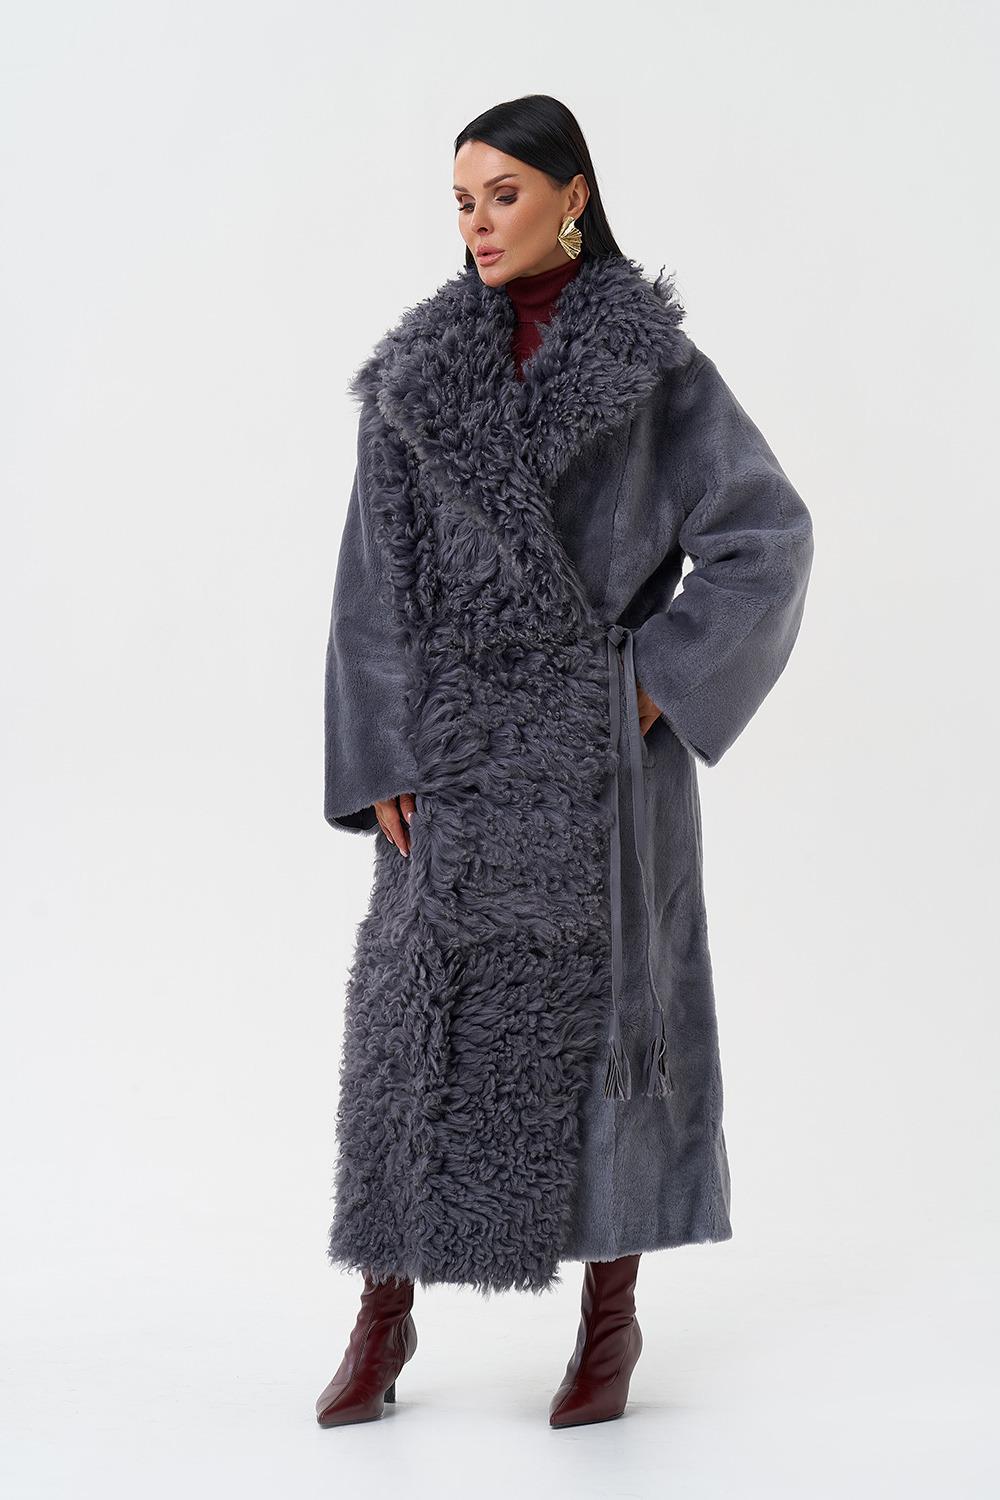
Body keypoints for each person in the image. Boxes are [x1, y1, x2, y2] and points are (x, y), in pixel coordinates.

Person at [315, 94, 813, 1429]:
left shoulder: (657, 371)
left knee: (608, 1035)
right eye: (461, 201)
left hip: (602, 773)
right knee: (415, 1034)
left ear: (573, 195)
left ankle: (610, 1320)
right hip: (456, 767)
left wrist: (651, 682)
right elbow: (370, 589)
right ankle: (381, 1314)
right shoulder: (416, 380)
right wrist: (379, 756)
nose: (478, 224)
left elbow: (768, 537)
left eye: (504, 195)